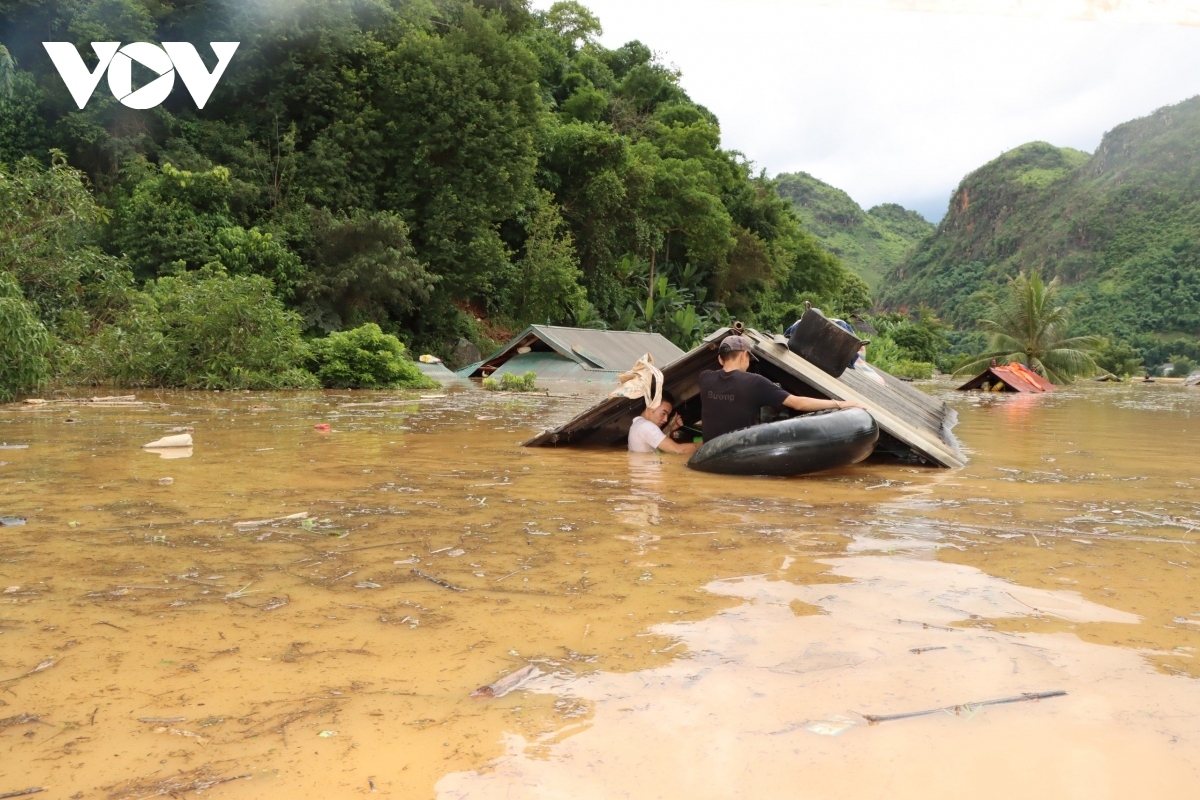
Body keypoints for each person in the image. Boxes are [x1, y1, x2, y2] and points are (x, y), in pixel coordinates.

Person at [699, 335, 867, 441]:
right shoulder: (755, 382)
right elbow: (798, 404)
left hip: (709, 450)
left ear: (720, 360)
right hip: (735, 451)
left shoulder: (705, 378)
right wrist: (840, 404)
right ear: (744, 355)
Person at [627, 390, 699, 455]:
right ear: (651, 407)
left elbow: (654, 439)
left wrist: (670, 428)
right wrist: (706, 444)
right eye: (663, 413)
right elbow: (679, 450)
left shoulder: (637, 423)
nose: (666, 420)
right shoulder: (647, 426)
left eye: (668, 415)